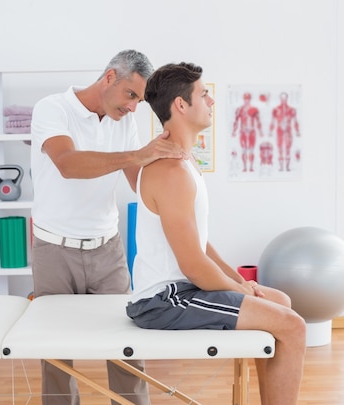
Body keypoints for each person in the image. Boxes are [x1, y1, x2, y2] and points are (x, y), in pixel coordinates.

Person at [126, 62, 307, 405]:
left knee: (281, 303)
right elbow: (193, 264)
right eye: (204, 94)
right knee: (293, 326)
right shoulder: (171, 171)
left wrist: (240, 280)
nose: (211, 102)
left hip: (182, 289)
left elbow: (199, 244)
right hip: (164, 300)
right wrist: (242, 290)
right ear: (180, 105)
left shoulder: (184, 162)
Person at [30, 49, 186, 405]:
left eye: (140, 101)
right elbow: (67, 164)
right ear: (110, 77)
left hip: (107, 251)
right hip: (54, 251)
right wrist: (137, 155)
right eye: (131, 95)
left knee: (126, 351)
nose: (133, 108)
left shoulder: (124, 123)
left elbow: (137, 181)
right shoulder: (53, 108)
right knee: (56, 355)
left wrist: (174, 163)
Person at [269, 91, 300, 171]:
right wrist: (270, 131)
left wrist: (297, 131)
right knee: (279, 148)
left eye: (285, 98)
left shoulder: (292, 110)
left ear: (287, 98)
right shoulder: (276, 109)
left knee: (288, 148)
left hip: (288, 130)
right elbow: (272, 121)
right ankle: (281, 167)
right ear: (280, 98)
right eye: (282, 98)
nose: (283, 99)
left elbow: (295, 121)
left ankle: (287, 167)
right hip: (279, 130)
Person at [232, 92, 264, 172]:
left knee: (251, 150)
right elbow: (236, 121)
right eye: (245, 99)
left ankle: (251, 167)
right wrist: (234, 131)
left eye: (248, 99)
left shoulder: (254, 109)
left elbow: (258, 121)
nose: (246, 100)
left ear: (250, 99)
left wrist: (260, 131)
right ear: (243, 99)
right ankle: (245, 167)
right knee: (244, 150)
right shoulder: (239, 109)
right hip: (243, 132)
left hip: (252, 132)